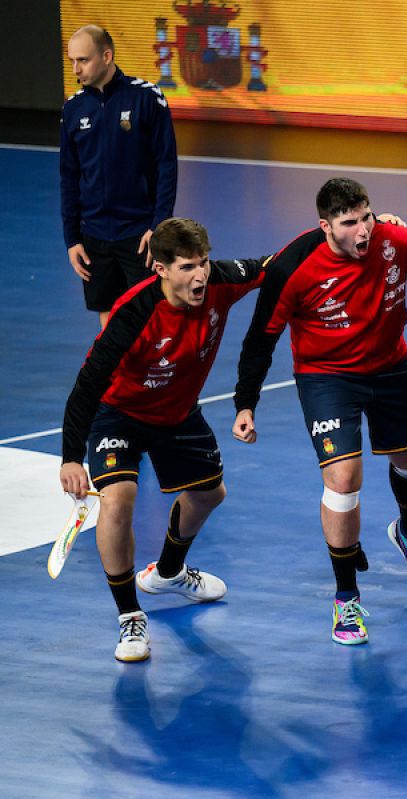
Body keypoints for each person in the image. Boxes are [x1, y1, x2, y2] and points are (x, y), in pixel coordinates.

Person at [232, 178, 407, 646]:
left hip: (390, 365)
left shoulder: (394, 240)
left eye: (366, 217)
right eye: (349, 223)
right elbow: (260, 339)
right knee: (343, 480)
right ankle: (346, 596)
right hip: (327, 377)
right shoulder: (294, 267)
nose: (363, 231)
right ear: (325, 225)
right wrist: (246, 402)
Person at [58, 217, 265, 661]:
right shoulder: (133, 313)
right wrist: (71, 458)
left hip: (177, 412)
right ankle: (130, 616)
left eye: (204, 263)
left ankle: (169, 572)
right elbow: (88, 384)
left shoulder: (222, 280)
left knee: (210, 494)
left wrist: (372, 226)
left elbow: (278, 264)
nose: (200, 276)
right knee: (119, 501)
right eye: (188, 267)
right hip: (120, 415)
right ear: (161, 268)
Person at [60, 24, 178, 329]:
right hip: (94, 236)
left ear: (107, 56)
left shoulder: (147, 98)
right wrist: (72, 239)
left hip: (140, 235)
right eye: (72, 60)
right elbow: (69, 177)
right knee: (108, 318)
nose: (76, 69)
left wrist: (159, 228)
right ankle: (119, 377)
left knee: (150, 317)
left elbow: (166, 166)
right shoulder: (72, 109)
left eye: (83, 60)